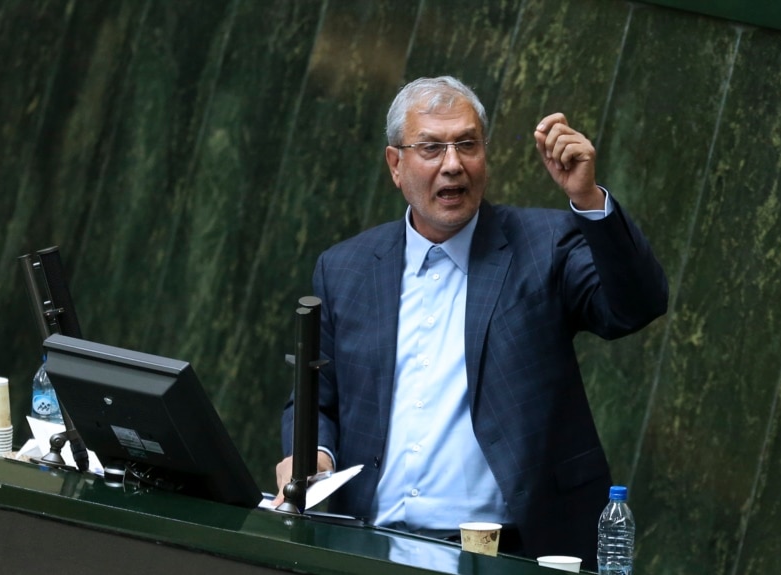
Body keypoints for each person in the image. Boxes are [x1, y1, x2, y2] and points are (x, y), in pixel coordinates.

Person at [275, 75, 668, 565]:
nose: (453, 164)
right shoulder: (346, 268)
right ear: (396, 165)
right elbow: (316, 398)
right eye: (432, 148)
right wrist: (314, 455)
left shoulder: (544, 244)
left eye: (467, 144)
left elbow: (636, 305)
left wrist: (588, 200)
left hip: (513, 550)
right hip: (373, 546)